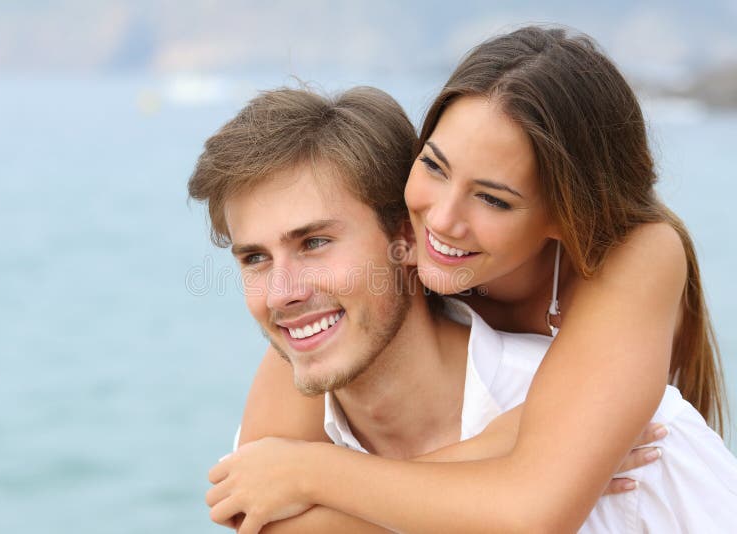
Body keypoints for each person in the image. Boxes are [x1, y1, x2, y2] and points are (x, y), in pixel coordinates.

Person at [190, 71, 736, 534]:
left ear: (405, 236)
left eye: (315, 242)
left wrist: (314, 476)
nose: (284, 293)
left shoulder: (634, 440)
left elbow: (535, 505)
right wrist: (495, 447)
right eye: (254, 258)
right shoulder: (280, 456)